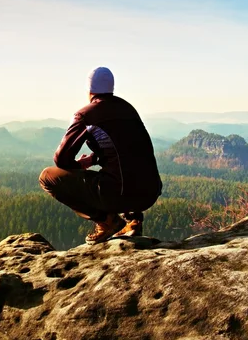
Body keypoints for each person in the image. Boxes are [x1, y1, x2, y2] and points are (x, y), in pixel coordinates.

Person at [39, 67, 162, 244]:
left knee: (47, 177)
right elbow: (129, 150)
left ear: (90, 91)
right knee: (125, 169)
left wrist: (80, 166)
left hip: (118, 193)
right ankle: (133, 222)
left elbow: (61, 159)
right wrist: (94, 159)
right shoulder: (129, 109)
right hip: (150, 192)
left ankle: (106, 221)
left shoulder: (86, 114)